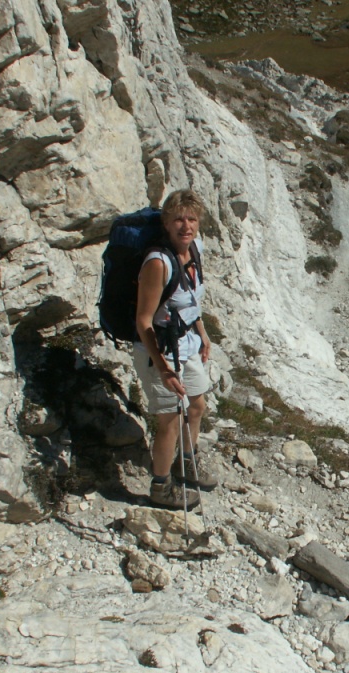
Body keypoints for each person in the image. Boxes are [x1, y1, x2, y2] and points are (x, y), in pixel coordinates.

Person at [133, 189, 216, 508]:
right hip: (160, 351)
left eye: (192, 219)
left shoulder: (195, 249)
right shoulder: (158, 263)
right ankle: (161, 487)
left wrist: (203, 333)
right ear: (166, 223)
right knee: (169, 420)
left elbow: (190, 302)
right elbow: (143, 321)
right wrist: (164, 368)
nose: (186, 225)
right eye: (178, 219)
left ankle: (185, 464)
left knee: (196, 406)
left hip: (188, 343)